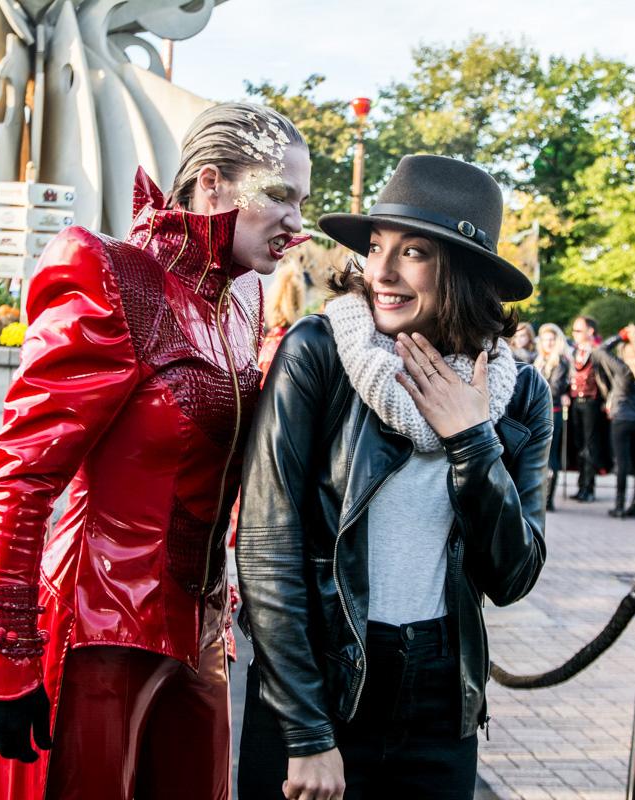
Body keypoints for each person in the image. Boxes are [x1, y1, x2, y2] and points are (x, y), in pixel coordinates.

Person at [0, 102, 311, 800]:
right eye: (279, 194)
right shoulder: (113, 275)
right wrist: (6, 656)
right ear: (212, 185)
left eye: (302, 201)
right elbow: (21, 473)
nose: (297, 223)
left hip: (200, 637)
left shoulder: (243, 299)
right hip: (98, 630)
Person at [237, 154, 549, 800]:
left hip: (440, 697)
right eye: (377, 247)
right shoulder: (317, 356)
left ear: (462, 270)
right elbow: (269, 552)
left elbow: (513, 575)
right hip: (323, 685)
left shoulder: (519, 395)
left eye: (413, 253)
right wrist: (306, 732)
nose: (381, 271)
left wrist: (472, 442)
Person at [593, 331, 635, 518]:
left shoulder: (623, 369)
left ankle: (619, 504)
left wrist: (619, 336)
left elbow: (600, 351)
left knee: (622, 464)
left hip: (622, 419)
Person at [568, 315, 606, 503]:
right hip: (576, 402)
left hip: (592, 401)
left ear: (590, 331)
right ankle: (581, 484)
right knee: (579, 444)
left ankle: (589, 487)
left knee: (590, 446)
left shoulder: (598, 351)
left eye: (578, 330)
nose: (574, 334)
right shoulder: (575, 351)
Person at [534, 323, 571, 512]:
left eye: (552, 339)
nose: (548, 343)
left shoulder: (560, 361)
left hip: (552, 411)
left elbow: (555, 388)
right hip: (537, 412)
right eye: (545, 339)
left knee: (551, 456)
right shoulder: (539, 360)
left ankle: (549, 498)